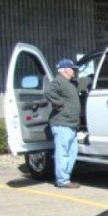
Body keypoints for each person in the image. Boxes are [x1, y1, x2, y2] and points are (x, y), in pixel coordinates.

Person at [44, 59, 81, 188]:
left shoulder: (70, 83)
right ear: (65, 70)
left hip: (71, 124)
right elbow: (48, 91)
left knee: (72, 152)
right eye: (72, 68)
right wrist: (59, 103)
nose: (74, 70)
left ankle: (66, 177)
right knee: (63, 152)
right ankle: (62, 180)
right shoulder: (59, 81)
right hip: (62, 124)